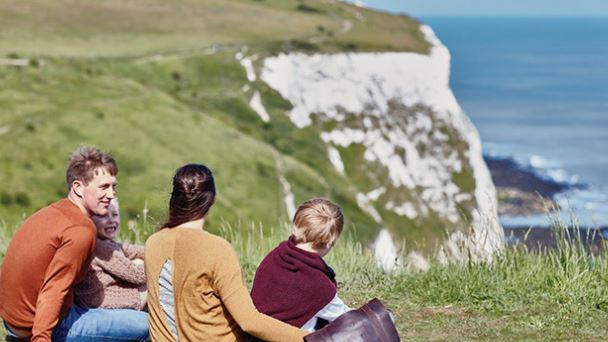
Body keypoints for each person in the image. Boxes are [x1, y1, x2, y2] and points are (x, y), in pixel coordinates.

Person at [145, 164, 307, 341]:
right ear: (212, 199)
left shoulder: (153, 243)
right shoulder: (217, 249)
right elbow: (250, 321)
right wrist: (310, 338)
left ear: (175, 198)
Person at [0, 146, 148, 341]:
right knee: (146, 324)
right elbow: (54, 289)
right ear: (77, 187)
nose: (111, 194)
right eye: (103, 187)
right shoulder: (81, 231)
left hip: (12, 319)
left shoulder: (53, 211)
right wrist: (41, 337)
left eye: (114, 186)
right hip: (38, 325)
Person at [251, 198, 351, 332]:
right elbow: (344, 316)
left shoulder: (274, 256)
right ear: (330, 243)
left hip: (254, 333)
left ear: (295, 228)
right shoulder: (320, 286)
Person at [74, 198, 147, 311]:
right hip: (102, 302)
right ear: (90, 219)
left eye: (115, 214)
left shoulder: (105, 242)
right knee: (155, 281)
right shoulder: (99, 245)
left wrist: (156, 250)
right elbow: (137, 275)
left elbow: (132, 249)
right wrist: (161, 260)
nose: (111, 220)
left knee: (140, 261)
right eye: (103, 216)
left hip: (106, 295)